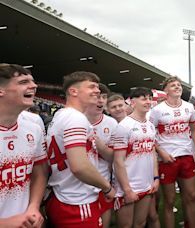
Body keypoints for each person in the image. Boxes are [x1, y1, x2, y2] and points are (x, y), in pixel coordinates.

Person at [45, 71, 115, 227]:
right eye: (91, 87)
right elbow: (80, 167)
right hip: (76, 200)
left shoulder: (61, 114)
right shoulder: (75, 118)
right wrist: (107, 187)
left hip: (64, 194)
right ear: (73, 91)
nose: (97, 91)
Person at [0, 64, 48, 227]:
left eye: (32, 81)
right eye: (23, 81)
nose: (33, 86)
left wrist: (33, 207)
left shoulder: (33, 128)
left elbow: (39, 172)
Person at [149, 76, 195, 228]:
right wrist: (161, 152)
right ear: (165, 90)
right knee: (170, 201)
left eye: (179, 85)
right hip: (167, 159)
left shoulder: (189, 107)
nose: (177, 87)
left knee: (191, 196)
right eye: (173, 85)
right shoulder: (157, 110)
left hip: (186, 155)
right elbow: (150, 135)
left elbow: (194, 129)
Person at [113, 87, 160, 228]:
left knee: (140, 224)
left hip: (146, 184)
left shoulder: (151, 126)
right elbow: (118, 160)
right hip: (127, 186)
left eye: (149, 98)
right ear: (132, 102)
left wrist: (156, 178)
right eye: (143, 98)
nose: (148, 101)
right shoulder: (124, 126)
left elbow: (152, 153)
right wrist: (127, 190)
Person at [84, 83, 118, 228]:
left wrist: (99, 145)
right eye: (97, 96)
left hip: (103, 184)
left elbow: (113, 158)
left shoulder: (111, 123)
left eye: (104, 97)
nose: (101, 100)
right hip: (80, 186)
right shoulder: (75, 120)